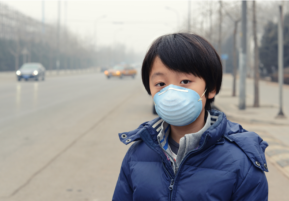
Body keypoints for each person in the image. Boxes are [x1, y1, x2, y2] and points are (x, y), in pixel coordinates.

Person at [112, 33, 268, 201]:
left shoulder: (242, 161)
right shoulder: (137, 155)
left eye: (185, 81)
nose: (171, 93)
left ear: (211, 88)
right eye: (161, 84)